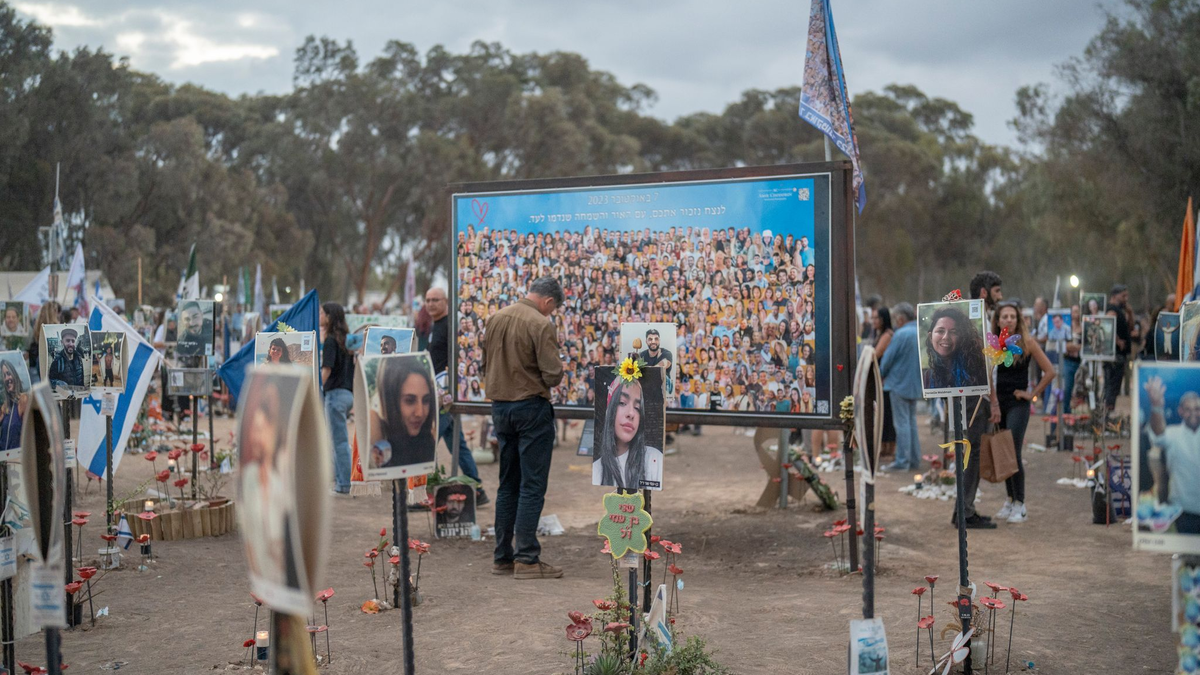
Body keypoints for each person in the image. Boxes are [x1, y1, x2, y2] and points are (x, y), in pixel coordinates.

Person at [481, 277, 564, 580]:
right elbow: (553, 375)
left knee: (508, 484)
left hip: (500, 408)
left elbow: (484, 364)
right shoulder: (541, 323)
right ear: (549, 302)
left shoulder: (495, 318)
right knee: (532, 485)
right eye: (552, 310)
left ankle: (502, 556)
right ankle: (527, 558)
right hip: (530, 408)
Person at [992, 302, 1055, 524]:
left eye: (1012, 316)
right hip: (998, 404)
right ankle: (1009, 499)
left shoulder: (1027, 342)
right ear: (998, 320)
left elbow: (1050, 371)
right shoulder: (994, 343)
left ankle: (1021, 503)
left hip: (1018, 403)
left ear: (1018, 320)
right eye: (1004, 316)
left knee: (1013, 449)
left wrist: (1032, 394)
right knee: (1002, 452)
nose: (1008, 320)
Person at [238, 374, 301, 591]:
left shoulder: (288, 483)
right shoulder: (249, 478)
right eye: (258, 409)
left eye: (266, 411)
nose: (257, 422)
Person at [425, 287, 488, 505]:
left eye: (435, 300)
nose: (431, 304)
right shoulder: (436, 326)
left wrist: (448, 390)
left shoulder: (450, 325)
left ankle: (426, 494)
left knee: (427, 442)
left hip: (444, 397)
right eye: (427, 300)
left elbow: (456, 359)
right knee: (458, 446)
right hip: (439, 395)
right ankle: (478, 490)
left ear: (446, 301)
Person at [959, 270, 1004, 530]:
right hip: (976, 394)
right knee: (972, 452)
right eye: (997, 291)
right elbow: (983, 363)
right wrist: (993, 399)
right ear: (985, 292)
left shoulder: (981, 316)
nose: (1001, 296)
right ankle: (965, 510)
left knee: (972, 452)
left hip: (978, 392)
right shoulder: (974, 317)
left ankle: (964, 509)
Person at [1143, 376, 1200, 534]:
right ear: (1180, 411)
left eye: (1197, 409)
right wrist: (1156, 407)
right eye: (1188, 409)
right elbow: (1159, 434)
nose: (1193, 413)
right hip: (1182, 510)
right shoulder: (1173, 434)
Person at [594, 375, 664, 489]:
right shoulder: (597, 470)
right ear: (609, 411)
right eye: (622, 403)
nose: (631, 413)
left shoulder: (654, 460)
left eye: (637, 408)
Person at [368, 355, 437, 469]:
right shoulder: (377, 428)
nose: (420, 412)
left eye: (426, 400)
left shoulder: (427, 439)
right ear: (390, 401)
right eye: (409, 401)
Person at [879, 303, 922, 471]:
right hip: (915, 384)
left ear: (901, 318)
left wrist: (882, 373)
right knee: (911, 422)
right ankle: (914, 460)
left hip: (898, 383)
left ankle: (902, 461)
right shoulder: (920, 332)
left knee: (902, 424)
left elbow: (887, 360)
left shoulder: (901, 334)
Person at [319, 302, 355, 495]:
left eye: (322, 313)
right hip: (348, 394)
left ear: (329, 316)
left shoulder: (331, 341)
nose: (319, 316)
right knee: (339, 440)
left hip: (334, 395)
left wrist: (317, 388)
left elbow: (327, 369)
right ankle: (339, 479)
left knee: (339, 441)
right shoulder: (346, 340)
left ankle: (343, 485)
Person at [921, 306, 988, 391]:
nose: (946, 337)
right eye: (940, 331)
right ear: (930, 337)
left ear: (962, 338)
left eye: (954, 332)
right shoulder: (927, 377)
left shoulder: (976, 372)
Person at [1105, 285, 1132, 412]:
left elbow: (1131, 327)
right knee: (1111, 387)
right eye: (1123, 296)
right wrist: (1117, 340)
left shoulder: (1121, 310)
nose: (1126, 299)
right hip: (1114, 355)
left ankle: (1108, 413)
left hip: (1120, 355)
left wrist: (1130, 313)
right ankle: (1106, 414)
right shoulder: (1112, 309)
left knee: (1114, 387)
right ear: (1115, 296)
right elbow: (1107, 325)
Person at [0, 359, 29, 451]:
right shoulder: (5, 407)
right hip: (4, 460)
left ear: (14, 374)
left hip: (17, 460)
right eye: (4, 376)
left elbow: (30, 433)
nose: (7, 378)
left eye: (8, 373)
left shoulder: (23, 399)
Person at [639, 328, 674, 397]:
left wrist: (647, 374)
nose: (653, 341)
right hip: (646, 394)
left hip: (662, 394)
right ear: (646, 341)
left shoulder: (666, 353)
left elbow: (664, 364)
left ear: (659, 341)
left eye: (656, 339)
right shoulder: (641, 355)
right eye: (650, 339)